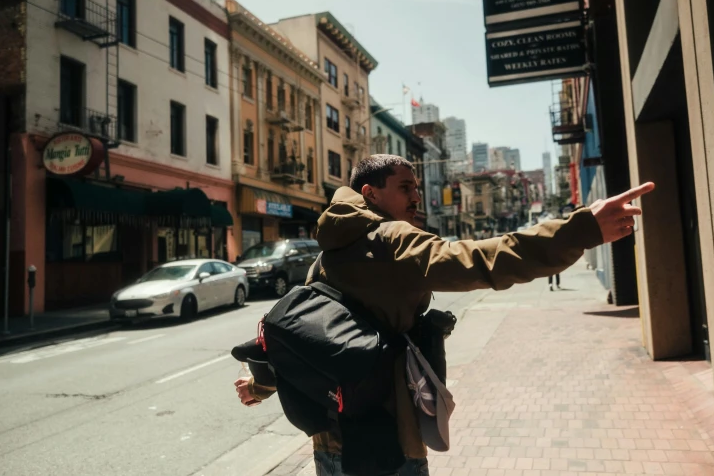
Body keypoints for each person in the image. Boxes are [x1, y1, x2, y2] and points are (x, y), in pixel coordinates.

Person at [235, 154, 653, 475]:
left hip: (329, 435)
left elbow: (304, 332)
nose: (417, 196)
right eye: (405, 187)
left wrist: (261, 384)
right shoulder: (392, 237)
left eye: (416, 186)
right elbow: (477, 260)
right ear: (370, 194)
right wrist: (579, 230)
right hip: (387, 432)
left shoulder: (329, 251)